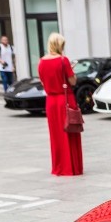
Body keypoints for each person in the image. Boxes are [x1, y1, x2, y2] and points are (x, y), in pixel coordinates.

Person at [38, 33, 83, 176]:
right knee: (70, 131)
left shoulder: (41, 62)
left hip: (51, 101)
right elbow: (73, 81)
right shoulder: (63, 60)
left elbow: (43, 82)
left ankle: (59, 167)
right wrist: (72, 70)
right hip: (65, 100)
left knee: (56, 136)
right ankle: (72, 168)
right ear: (59, 45)